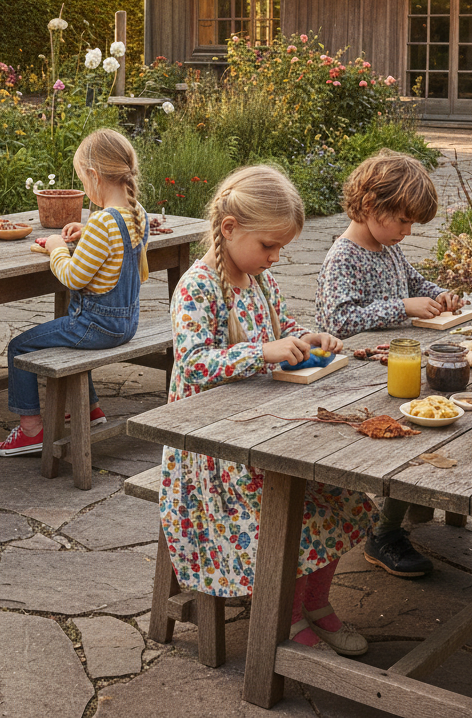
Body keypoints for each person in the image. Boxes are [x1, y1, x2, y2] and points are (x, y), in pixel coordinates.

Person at [161, 164, 376, 655]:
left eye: (280, 248)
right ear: (229, 228)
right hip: (214, 457)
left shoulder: (259, 279)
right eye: (268, 246)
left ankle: (315, 603)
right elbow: (193, 363)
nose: (275, 257)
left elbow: (282, 328)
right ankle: (286, 616)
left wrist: (307, 338)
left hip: (259, 432)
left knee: (340, 495)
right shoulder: (198, 287)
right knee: (291, 517)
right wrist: (262, 353)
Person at [314, 148, 462, 578]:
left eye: (412, 223)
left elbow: (414, 281)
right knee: (411, 434)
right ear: (370, 205)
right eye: (402, 220)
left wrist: (438, 295)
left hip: (390, 365)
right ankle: (383, 531)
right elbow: (340, 320)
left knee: (443, 411)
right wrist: (403, 307)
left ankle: (409, 504)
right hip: (352, 379)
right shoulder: (344, 256)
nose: (407, 231)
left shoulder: (388, 248)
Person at [0, 128, 148, 457]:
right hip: (126, 324)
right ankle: (89, 410)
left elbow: (73, 278)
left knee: (19, 347)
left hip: (96, 327)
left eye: (82, 179)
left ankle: (31, 431)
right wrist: (86, 231)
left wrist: (56, 248)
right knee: (67, 338)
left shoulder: (103, 223)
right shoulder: (137, 214)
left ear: (94, 175)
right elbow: (114, 246)